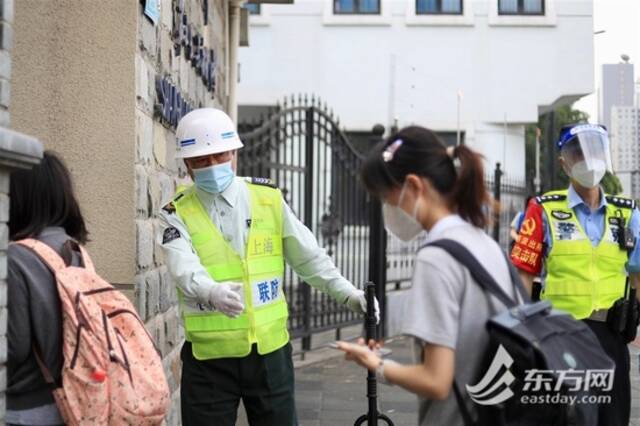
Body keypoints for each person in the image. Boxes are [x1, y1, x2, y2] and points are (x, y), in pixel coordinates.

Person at [159, 108, 379, 426]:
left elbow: (308, 257)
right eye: (201, 161)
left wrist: (349, 294)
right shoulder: (176, 211)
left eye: (220, 157)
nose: (212, 167)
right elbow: (182, 264)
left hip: (269, 354)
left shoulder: (268, 199)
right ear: (186, 164)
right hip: (209, 359)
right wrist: (211, 290)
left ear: (234, 152)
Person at [336, 126, 519, 426]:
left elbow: (436, 380)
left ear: (413, 186)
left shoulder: (437, 257)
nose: (389, 208)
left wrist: (377, 364)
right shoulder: (485, 244)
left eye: (387, 197)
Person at [511, 123, 640, 426]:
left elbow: (637, 275)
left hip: (613, 336)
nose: (587, 160)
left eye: (593, 151)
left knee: (613, 418)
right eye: (576, 153)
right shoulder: (542, 210)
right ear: (563, 163)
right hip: (561, 337)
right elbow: (523, 276)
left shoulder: (626, 213)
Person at [7, 151, 88, 426]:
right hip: (74, 403)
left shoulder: (16, 258)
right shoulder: (75, 250)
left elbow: (13, 347)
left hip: (24, 411)